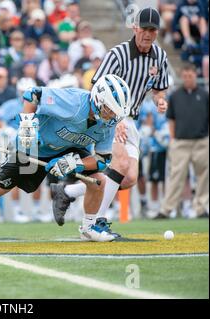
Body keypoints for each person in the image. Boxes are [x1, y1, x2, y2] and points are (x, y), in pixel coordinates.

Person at [0, 74, 131, 244]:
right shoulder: (73, 101)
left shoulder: (108, 125)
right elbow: (32, 94)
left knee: (99, 180)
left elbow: (102, 159)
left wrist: (73, 163)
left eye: (115, 112)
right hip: (37, 144)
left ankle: (89, 228)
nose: (113, 116)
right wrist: (27, 127)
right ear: (98, 99)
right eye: (109, 109)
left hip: (69, 148)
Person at [52, 8, 170, 224]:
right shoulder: (118, 54)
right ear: (135, 28)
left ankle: (68, 192)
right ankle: (98, 220)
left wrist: (160, 100)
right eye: (144, 28)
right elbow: (97, 85)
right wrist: (117, 119)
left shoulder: (160, 56)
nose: (148, 34)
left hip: (132, 119)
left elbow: (158, 89)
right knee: (121, 164)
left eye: (153, 30)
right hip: (108, 118)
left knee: (130, 178)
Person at [0, 77, 52, 223]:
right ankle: (17, 210)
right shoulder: (9, 106)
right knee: (14, 176)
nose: (23, 96)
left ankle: (38, 210)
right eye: (21, 91)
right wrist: (6, 131)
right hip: (15, 146)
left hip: (35, 145)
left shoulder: (40, 106)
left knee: (37, 176)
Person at [156, 64, 209, 219]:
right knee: (176, 176)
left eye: (190, 76)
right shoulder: (175, 96)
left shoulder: (205, 95)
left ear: (195, 75)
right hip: (180, 143)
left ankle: (201, 207)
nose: (187, 79)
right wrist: (173, 139)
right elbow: (171, 120)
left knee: (204, 176)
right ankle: (166, 209)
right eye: (184, 76)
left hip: (201, 142)